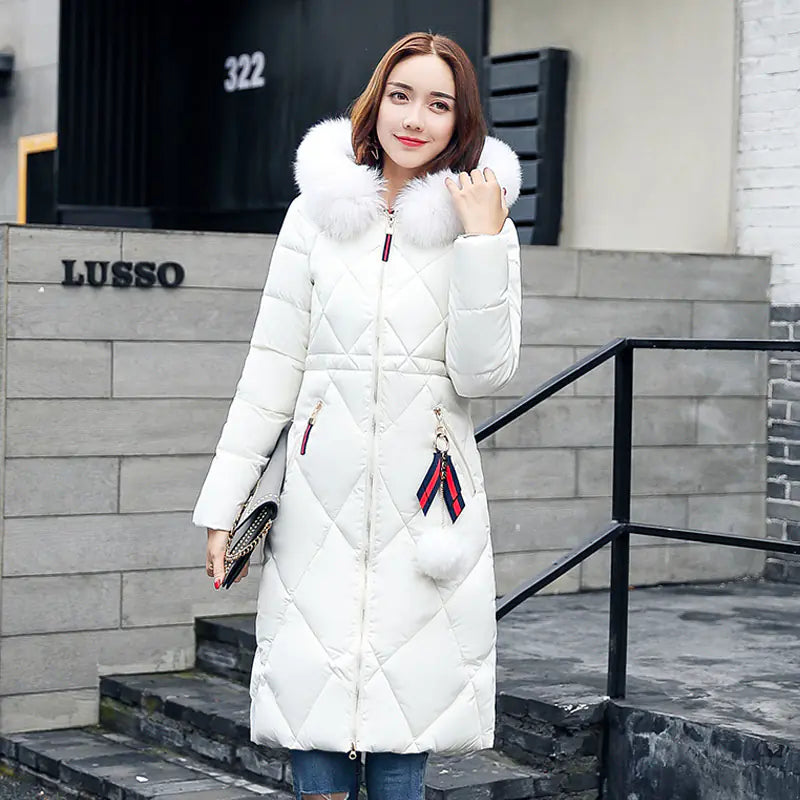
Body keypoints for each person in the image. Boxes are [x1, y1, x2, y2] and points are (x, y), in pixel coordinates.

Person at [193, 30, 522, 800]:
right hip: (319, 505)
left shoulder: (483, 222)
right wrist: (224, 506)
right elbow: (269, 371)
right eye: (401, 95)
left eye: (438, 103)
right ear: (375, 102)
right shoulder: (315, 217)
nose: (414, 118)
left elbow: (483, 375)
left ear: (461, 120)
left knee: (407, 725)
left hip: (427, 505)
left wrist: (481, 242)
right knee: (312, 718)